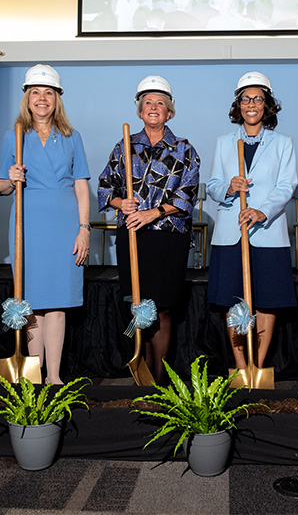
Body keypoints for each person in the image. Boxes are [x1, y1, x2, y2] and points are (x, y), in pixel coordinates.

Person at [97, 75, 200, 384]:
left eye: (160, 104)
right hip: (133, 237)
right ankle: (144, 375)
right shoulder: (123, 147)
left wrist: (151, 213)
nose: (154, 108)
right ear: (140, 111)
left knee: (164, 310)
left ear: (169, 112)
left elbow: (187, 194)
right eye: (148, 103)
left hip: (168, 238)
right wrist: (121, 204)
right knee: (140, 307)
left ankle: (160, 377)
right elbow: (104, 188)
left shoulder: (184, 149)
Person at [0, 65, 90, 385]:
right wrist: (10, 178)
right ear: (27, 97)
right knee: (31, 303)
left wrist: (84, 228)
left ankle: (54, 376)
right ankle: (33, 375)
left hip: (64, 223)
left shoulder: (72, 137)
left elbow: (80, 186)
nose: (42, 98)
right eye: (35, 92)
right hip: (28, 224)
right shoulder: (15, 135)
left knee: (58, 303)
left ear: (57, 99)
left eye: (48, 92)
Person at [207, 71, 298, 371]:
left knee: (267, 301)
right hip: (231, 233)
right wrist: (229, 188)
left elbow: (286, 186)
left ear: (267, 105)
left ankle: (258, 366)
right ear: (238, 105)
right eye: (245, 99)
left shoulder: (283, 143)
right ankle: (240, 366)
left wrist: (263, 211)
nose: (251, 104)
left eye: (258, 99)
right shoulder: (223, 142)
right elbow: (213, 186)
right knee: (235, 300)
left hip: (267, 233)